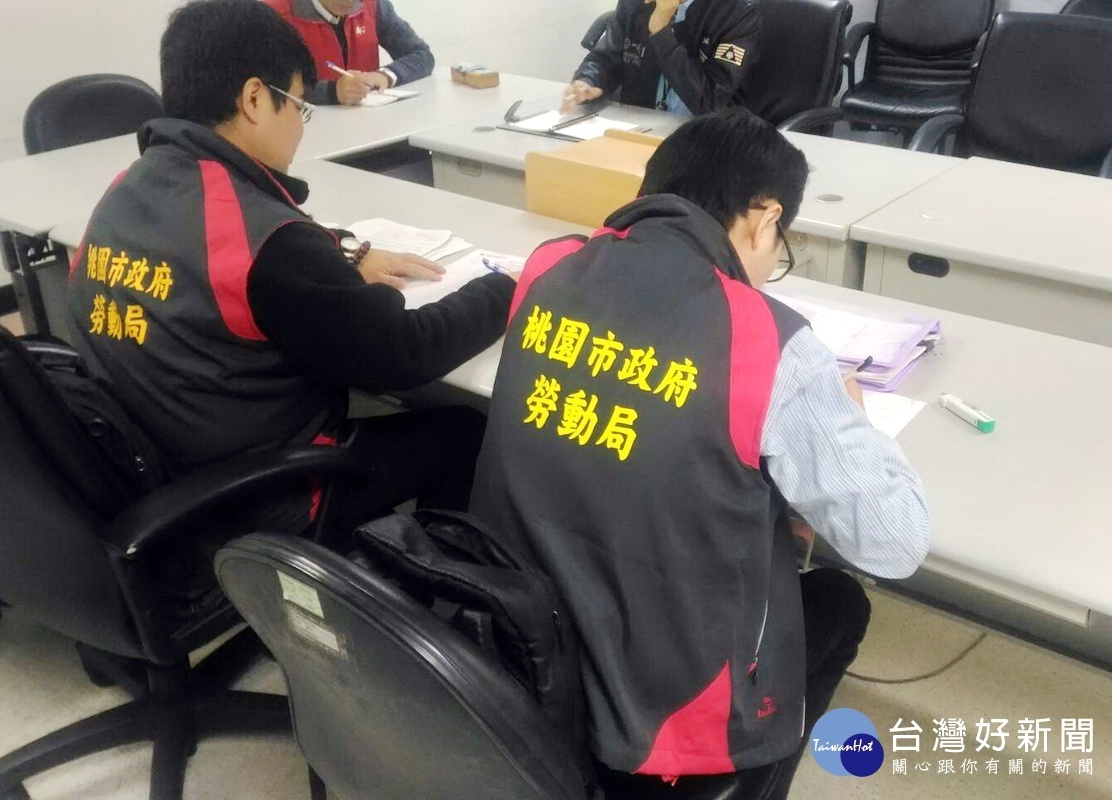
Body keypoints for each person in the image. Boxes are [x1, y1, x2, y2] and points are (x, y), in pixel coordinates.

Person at [469, 109, 931, 799]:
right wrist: (855, 425)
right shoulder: (769, 340)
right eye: (781, 245)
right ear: (763, 216)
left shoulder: (548, 267)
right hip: (662, 729)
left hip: (520, 656)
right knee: (838, 599)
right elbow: (896, 543)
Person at [67, 0, 515, 543]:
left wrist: (338, 253)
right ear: (255, 98)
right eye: (299, 107)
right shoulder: (272, 245)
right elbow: (405, 353)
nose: (301, 131)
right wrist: (506, 287)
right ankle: (418, 589)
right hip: (260, 494)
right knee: (462, 430)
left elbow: (240, 253)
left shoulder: (126, 189)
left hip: (149, 463)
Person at [563, 0, 761, 116]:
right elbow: (605, 58)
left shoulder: (738, 11)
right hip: (638, 126)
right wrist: (586, 81)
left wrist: (661, 31)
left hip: (706, 139)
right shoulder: (635, 4)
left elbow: (709, 103)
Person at [264, 0, 434, 106]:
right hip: (306, 132)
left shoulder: (373, 5)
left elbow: (421, 55)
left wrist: (385, 75)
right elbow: (266, 86)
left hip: (370, 127)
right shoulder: (274, 14)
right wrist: (332, 92)